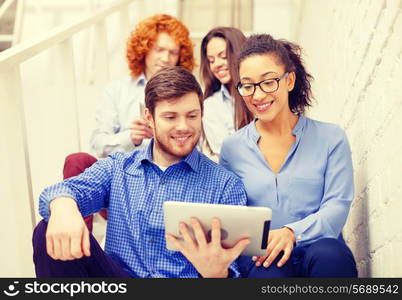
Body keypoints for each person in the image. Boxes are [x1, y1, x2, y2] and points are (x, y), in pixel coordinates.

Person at [32, 66, 250, 278]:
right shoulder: (118, 167)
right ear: (149, 118)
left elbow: (236, 272)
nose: (183, 126)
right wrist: (64, 207)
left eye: (192, 116)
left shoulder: (225, 185)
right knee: (47, 228)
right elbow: (57, 192)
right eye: (170, 117)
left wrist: (217, 274)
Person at [219, 34, 358, 277]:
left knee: (330, 254)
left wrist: (292, 233)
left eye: (268, 82)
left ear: (289, 80)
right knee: (266, 270)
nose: (258, 95)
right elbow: (232, 215)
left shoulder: (331, 138)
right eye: (248, 85)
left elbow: (337, 207)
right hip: (264, 258)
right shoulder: (232, 149)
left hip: (319, 252)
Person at [63, 14, 195, 231]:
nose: (165, 58)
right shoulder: (117, 91)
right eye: (159, 49)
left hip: (162, 180)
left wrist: (168, 136)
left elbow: (194, 147)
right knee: (76, 161)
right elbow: (97, 142)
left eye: (172, 52)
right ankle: (79, 240)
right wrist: (130, 137)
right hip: (118, 180)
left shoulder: (186, 94)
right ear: (144, 50)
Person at [199, 27, 247, 159]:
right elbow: (227, 156)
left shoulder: (261, 96)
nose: (216, 65)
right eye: (211, 60)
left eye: (223, 57)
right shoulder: (211, 105)